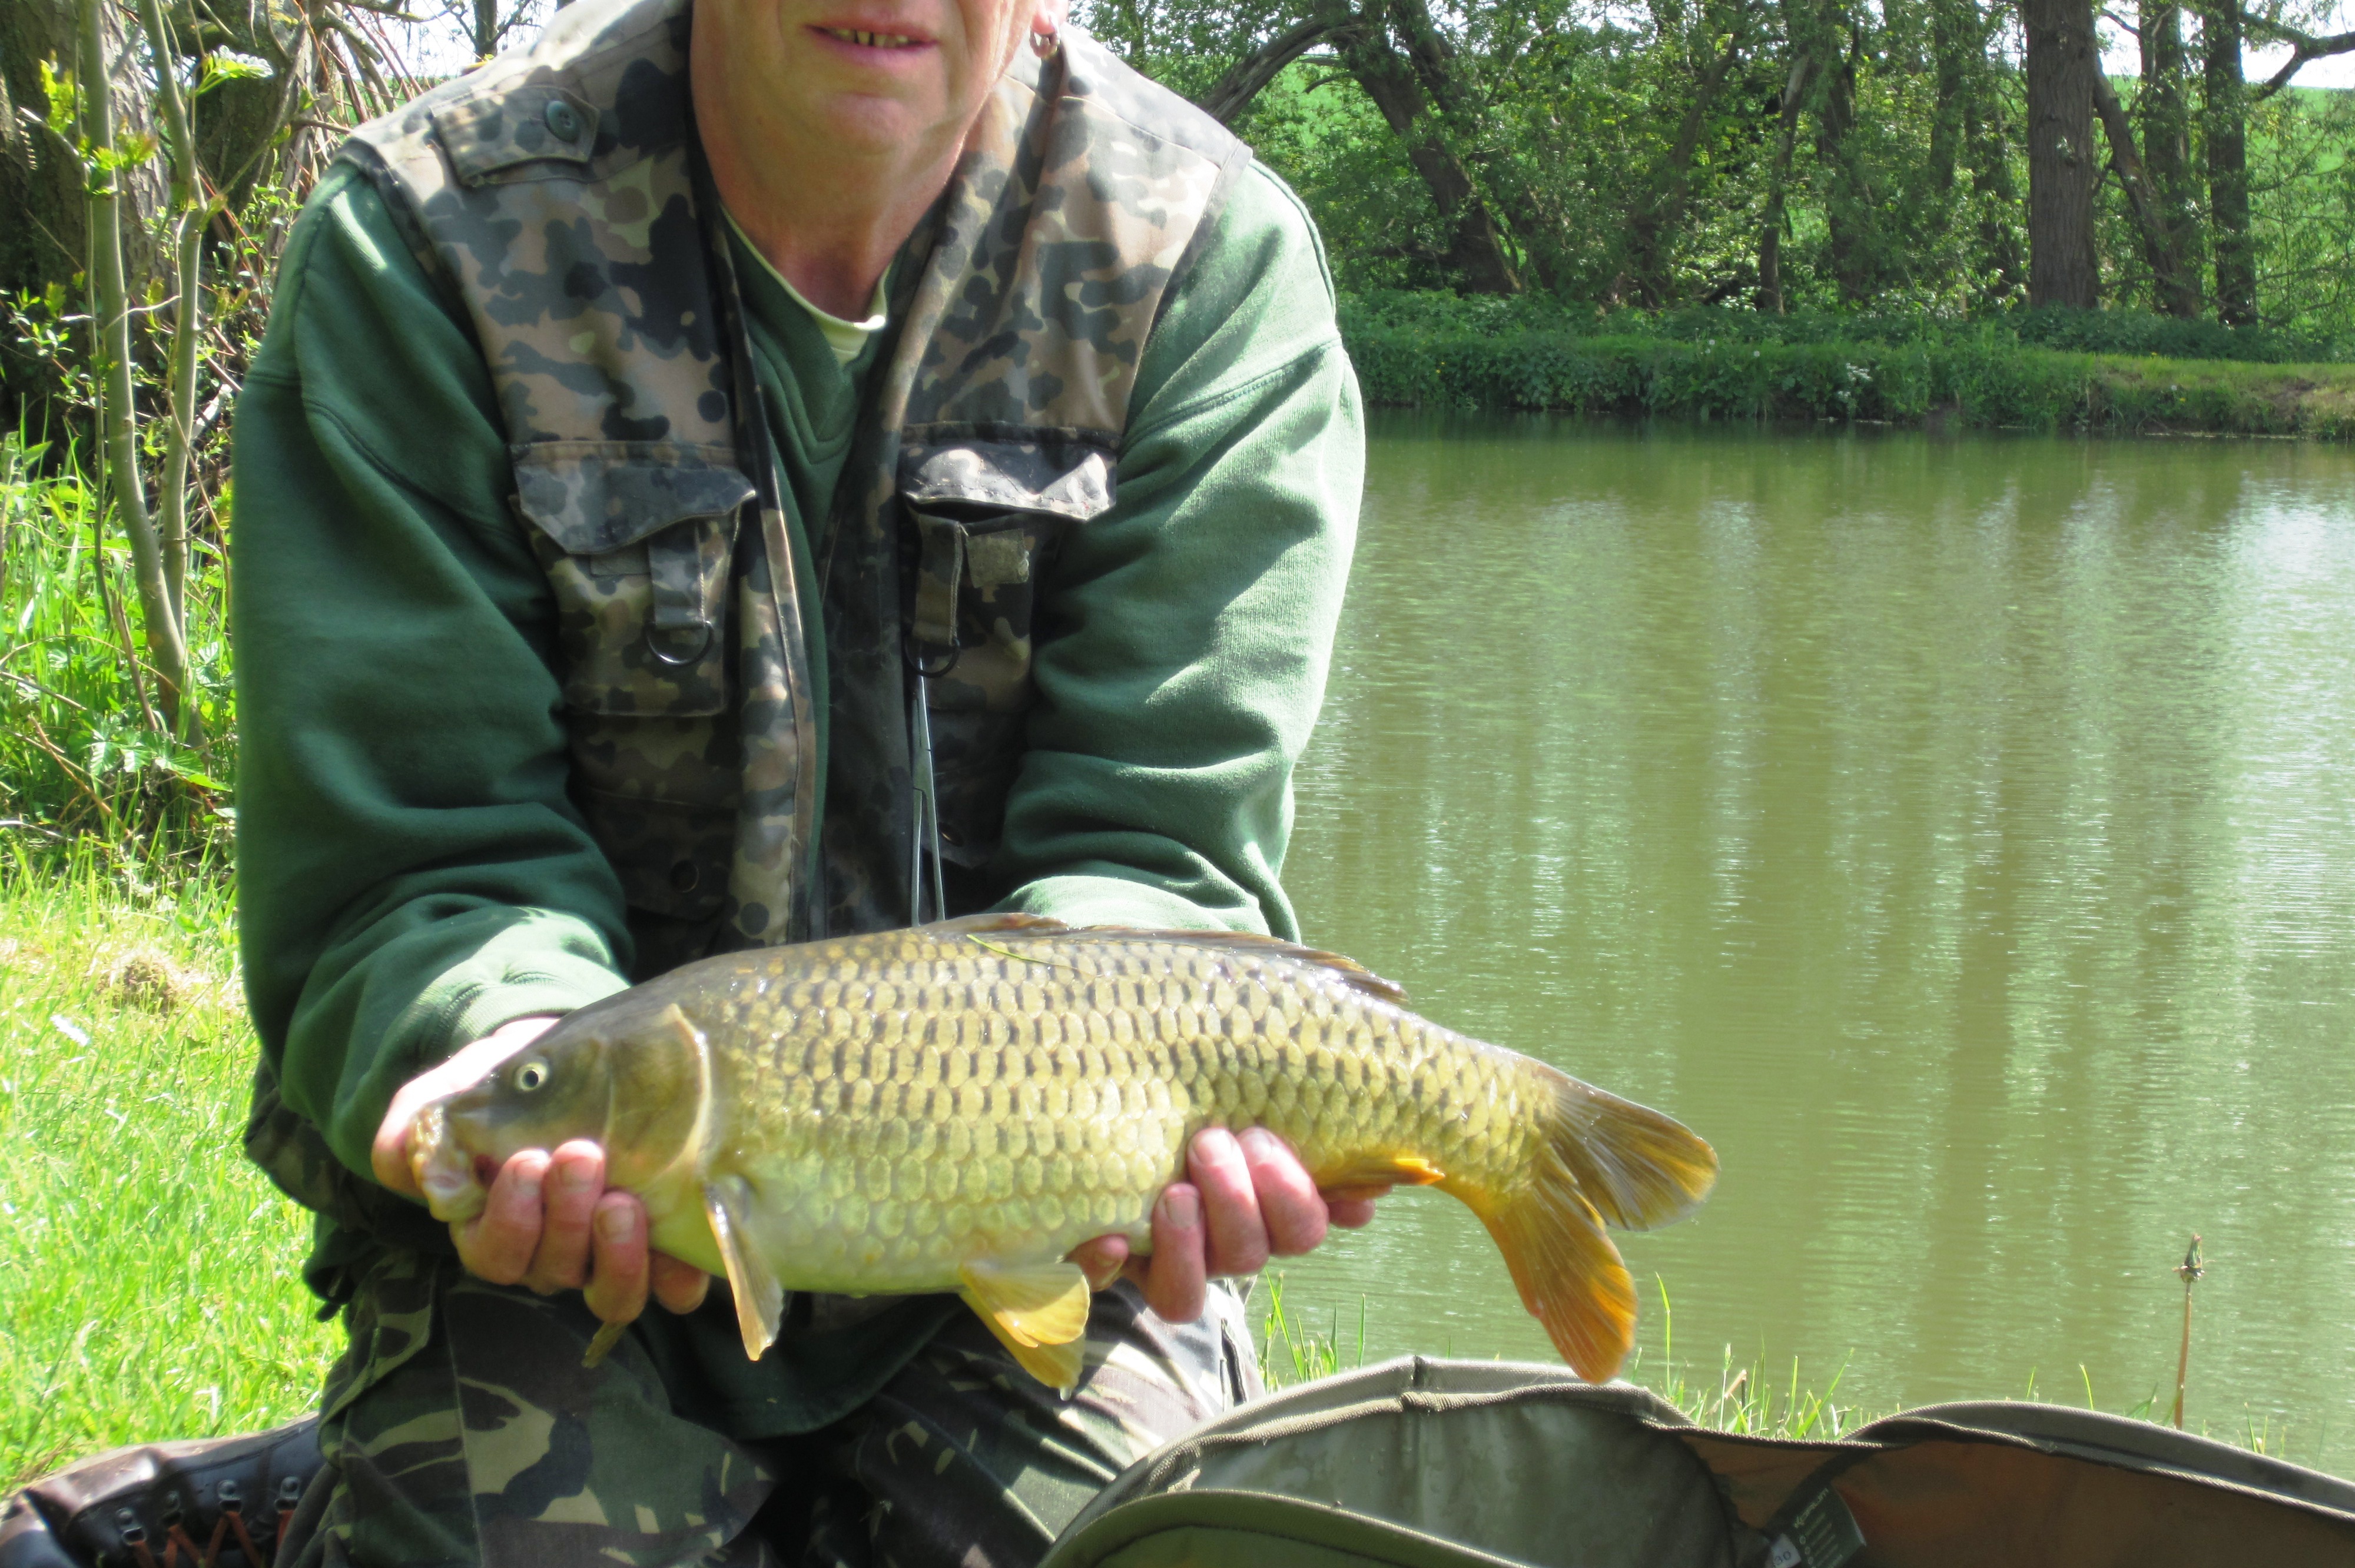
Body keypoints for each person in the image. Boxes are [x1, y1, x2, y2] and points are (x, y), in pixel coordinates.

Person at [212, 0, 1368, 1563]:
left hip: (1039, 1219)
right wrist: (502, 1046)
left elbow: (1159, 849)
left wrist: (1151, 1123)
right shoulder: (429, 237)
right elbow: (419, 851)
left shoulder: (1201, 260)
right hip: (569, 1225)